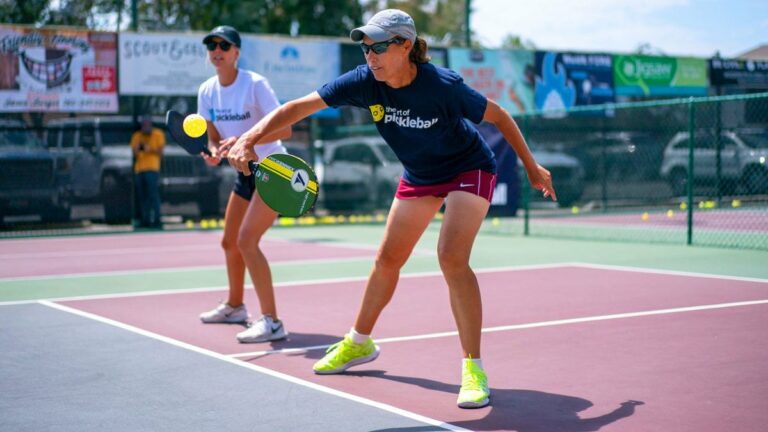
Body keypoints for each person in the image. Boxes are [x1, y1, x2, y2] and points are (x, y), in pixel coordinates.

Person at [227, 10, 556, 408]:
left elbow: (500, 115)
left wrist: (531, 166)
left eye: (380, 46)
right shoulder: (365, 81)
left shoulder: (442, 86)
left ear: (405, 46)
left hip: (469, 167)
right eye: (366, 47)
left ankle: (473, 368)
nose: (371, 55)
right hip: (420, 174)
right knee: (386, 259)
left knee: (451, 258)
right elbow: (299, 107)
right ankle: (358, 342)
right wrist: (250, 136)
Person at [196, 25, 293, 344]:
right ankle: (236, 306)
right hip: (245, 173)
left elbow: (286, 129)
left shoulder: (255, 85)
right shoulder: (207, 90)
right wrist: (213, 151)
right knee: (229, 242)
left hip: (274, 171)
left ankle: (273, 322)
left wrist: (248, 138)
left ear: (236, 52)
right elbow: (212, 136)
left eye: (224, 45)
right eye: (212, 45)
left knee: (247, 241)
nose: (217, 50)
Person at [130, 114, 165, 228]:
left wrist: (148, 149)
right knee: (142, 197)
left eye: (147, 123)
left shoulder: (158, 134)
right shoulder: (137, 136)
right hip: (139, 169)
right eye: (144, 124)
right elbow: (134, 152)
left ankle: (156, 220)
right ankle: (145, 220)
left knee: (153, 195)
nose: (146, 126)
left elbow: (160, 151)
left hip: (152, 169)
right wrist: (139, 147)